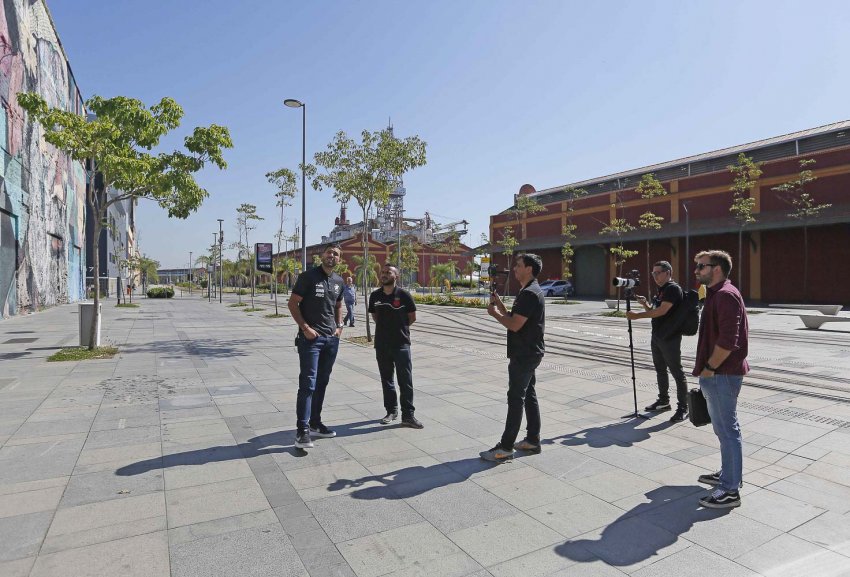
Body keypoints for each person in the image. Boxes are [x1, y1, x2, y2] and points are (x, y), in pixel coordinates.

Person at [692, 250, 749, 509]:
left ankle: (729, 490)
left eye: (701, 266)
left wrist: (709, 368)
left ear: (716, 269)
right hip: (720, 373)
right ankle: (728, 473)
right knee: (724, 429)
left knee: (727, 430)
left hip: (721, 373)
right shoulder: (716, 294)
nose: (696, 271)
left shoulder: (725, 295)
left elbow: (728, 340)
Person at [480, 253, 546, 462]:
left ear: (529, 269)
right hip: (529, 352)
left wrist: (495, 314)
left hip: (524, 354)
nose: (515, 269)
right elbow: (517, 318)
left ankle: (506, 447)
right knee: (529, 395)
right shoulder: (530, 291)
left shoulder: (529, 294)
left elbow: (515, 325)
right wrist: (501, 306)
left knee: (516, 398)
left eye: (518, 265)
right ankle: (533, 440)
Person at [287, 243, 345, 449]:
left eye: (336, 254)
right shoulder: (308, 277)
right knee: (308, 384)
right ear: (322, 255)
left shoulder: (339, 281)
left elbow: (338, 305)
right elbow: (292, 303)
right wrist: (305, 328)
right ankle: (302, 431)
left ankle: (315, 423)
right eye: (329, 252)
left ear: (339, 259)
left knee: (322, 383)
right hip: (311, 340)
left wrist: (339, 327)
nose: (332, 256)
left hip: (331, 340)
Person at [626, 261, 689, 422]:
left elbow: (662, 310)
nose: (654, 276)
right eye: (653, 273)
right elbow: (655, 312)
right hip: (658, 336)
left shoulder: (672, 289)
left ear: (668, 273)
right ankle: (663, 401)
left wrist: (637, 316)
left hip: (670, 337)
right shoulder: (661, 290)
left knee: (677, 372)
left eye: (658, 273)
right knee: (660, 370)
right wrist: (645, 304)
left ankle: (683, 407)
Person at [368, 264, 423, 429]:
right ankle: (391, 411)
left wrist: (399, 329)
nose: (384, 274)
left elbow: (412, 317)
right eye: (383, 272)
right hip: (381, 344)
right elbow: (375, 316)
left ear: (396, 276)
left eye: (388, 272)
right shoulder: (375, 296)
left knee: (405, 381)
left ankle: (408, 415)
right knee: (387, 380)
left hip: (401, 344)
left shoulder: (404, 295)